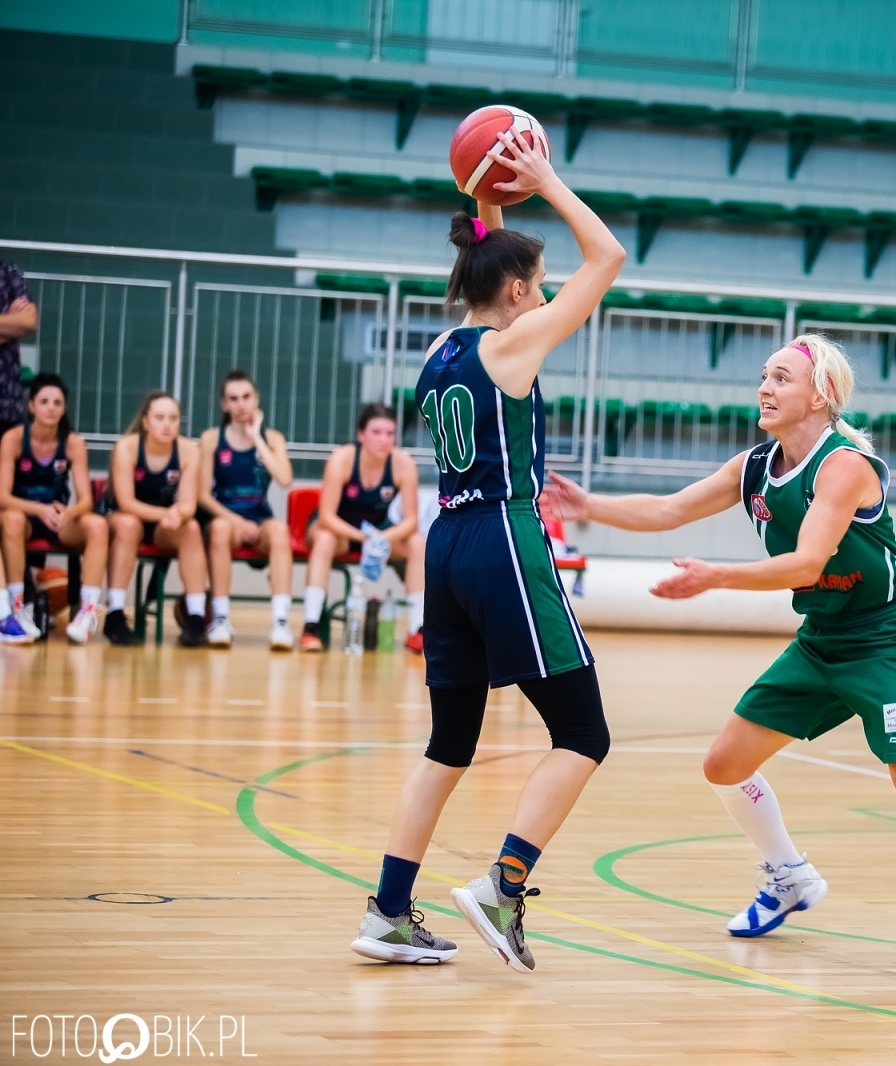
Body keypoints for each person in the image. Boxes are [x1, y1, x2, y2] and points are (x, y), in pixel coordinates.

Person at [542, 334, 896, 980]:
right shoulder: (755, 466)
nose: (764, 387)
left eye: (781, 377)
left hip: (887, 640)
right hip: (823, 639)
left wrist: (715, 578)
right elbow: (671, 508)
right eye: (763, 375)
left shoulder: (845, 466)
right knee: (724, 764)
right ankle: (789, 876)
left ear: (822, 394)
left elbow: (807, 562)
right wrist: (590, 507)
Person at [349, 129, 625, 967]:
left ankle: (389, 913)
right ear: (512, 291)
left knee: (450, 744)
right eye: (537, 286)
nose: (546, 298)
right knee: (583, 732)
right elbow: (607, 256)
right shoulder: (517, 344)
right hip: (506, 538)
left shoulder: (441, 351)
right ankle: (502, 888)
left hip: (448, 546)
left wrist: (488, 192)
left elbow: (485, 252)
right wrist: (547, 178)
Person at [298, 404, 424, 653]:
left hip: (377, 529)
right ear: (361, 435)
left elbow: (411, 521)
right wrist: (363, 537)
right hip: (340, 529)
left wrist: (381, 537)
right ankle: (310, 627)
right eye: (376, 432)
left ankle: (418, 629)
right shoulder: (342, 459)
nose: (384, 440)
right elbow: (326, 516)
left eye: (390, 434)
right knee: (324, 539)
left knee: (418, 543)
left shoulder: (403, 464)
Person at [0, 374, 110, 643]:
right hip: (25, 516)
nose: (51, 407)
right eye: (44, 401)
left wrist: (69, 513)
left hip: (59, 520)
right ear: (31, 406)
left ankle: (86, 612)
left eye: (57, 403)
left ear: (64, 408)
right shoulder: (14, 438)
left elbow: (86, 500)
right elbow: (2, 496)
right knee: (11, 519)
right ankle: (16, 608)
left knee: (97, 524)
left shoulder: (72, 442)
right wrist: (38, 509)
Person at [102, 392, 209, 647]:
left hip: (164, 525)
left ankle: (196, 617)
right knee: (129, 524)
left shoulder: (188, 451)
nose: (167, 424)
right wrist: (167, 513)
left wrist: (178, 515)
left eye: (173, 418)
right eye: (159, 418)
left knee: (192, 528)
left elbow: (189, 504)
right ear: (146, 422)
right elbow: (126, 502)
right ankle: (115, 614)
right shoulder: (127, 447)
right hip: (126, 518)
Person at [197, 370, 294, 649]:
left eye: (246, 397)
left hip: (259, 518)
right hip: (226, 517)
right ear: (224, 404)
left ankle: (281, 623)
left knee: (279, 531)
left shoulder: (272, 438)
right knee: (218, 529)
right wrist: (236, 521)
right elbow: (203, 496)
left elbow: (285, 479)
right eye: (233, 399)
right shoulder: (212, 439)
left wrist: (257, 438)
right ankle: (221, 619)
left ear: (256, 399)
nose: (241, 404)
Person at [0, 261, 37, 437]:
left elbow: (28, 322)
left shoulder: (8, 273)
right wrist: (11, 320)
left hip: (6, 403)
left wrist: (19, 320)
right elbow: (19, 323)